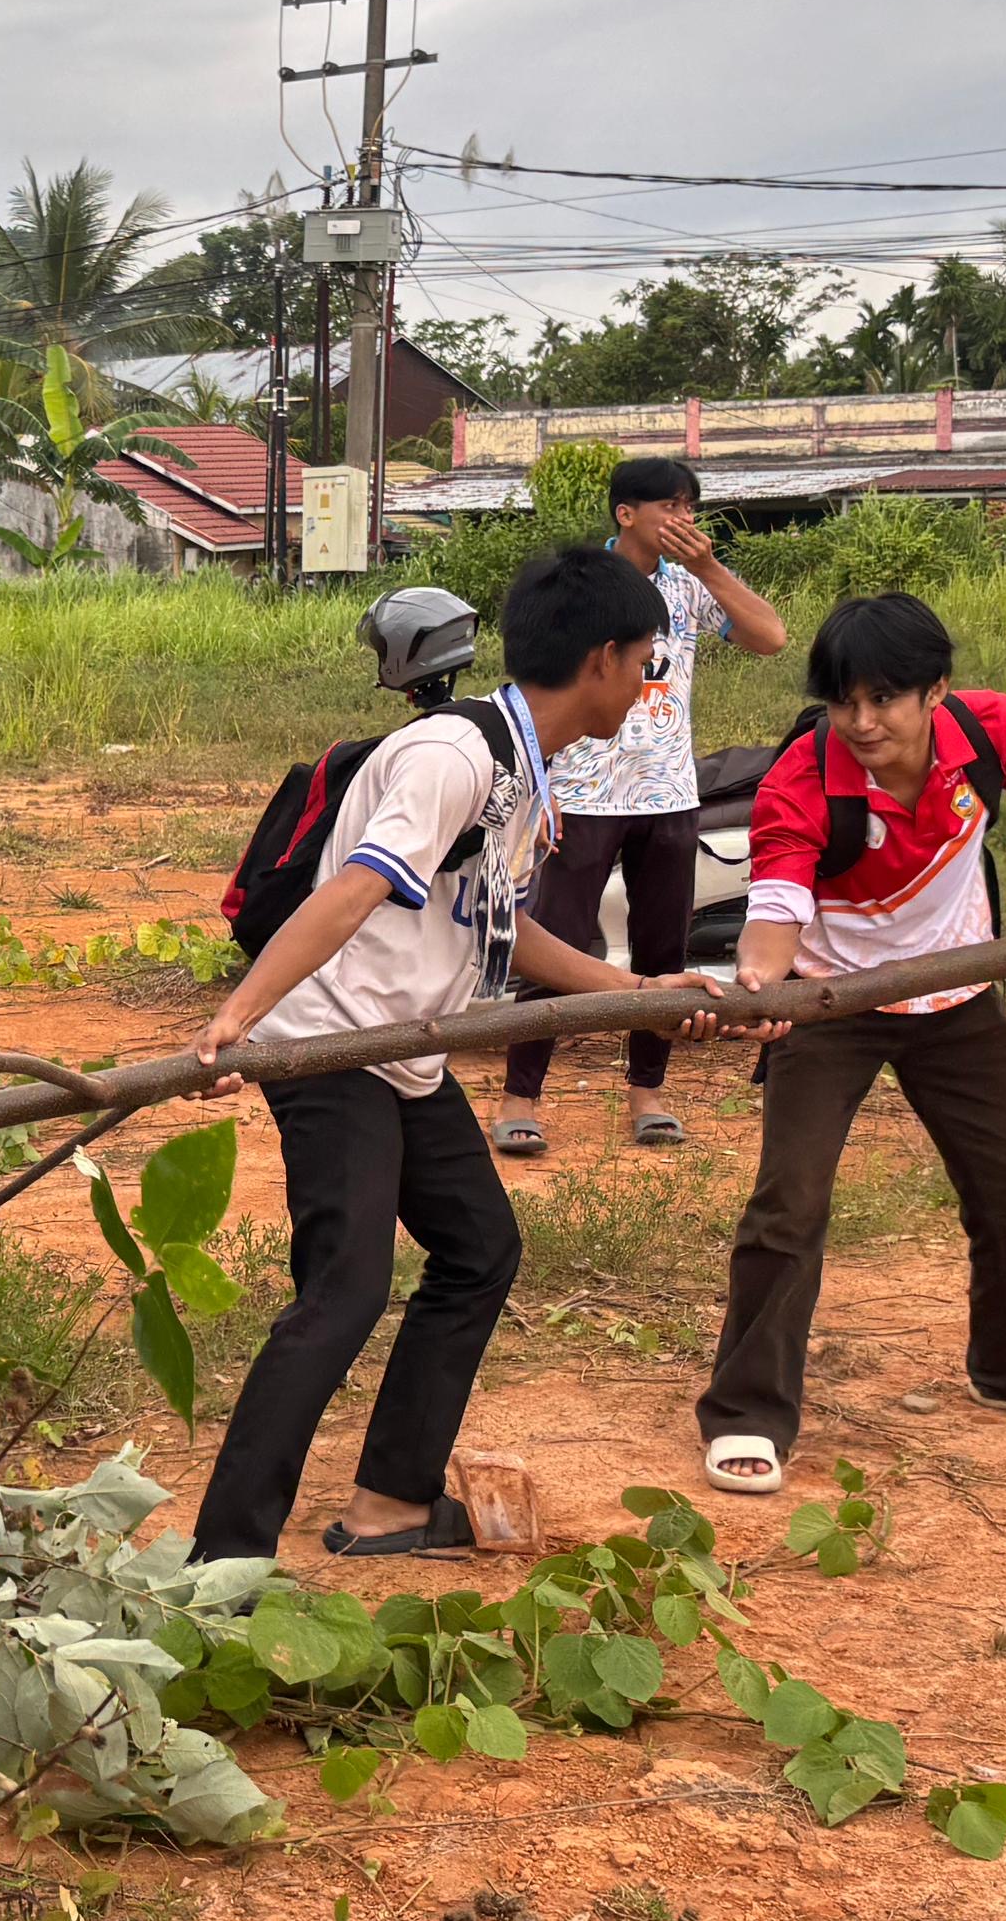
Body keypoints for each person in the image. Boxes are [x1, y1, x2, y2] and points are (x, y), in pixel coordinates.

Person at [187, 551, 748, 1563]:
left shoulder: (522, 774)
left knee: (478, 1248)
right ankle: (221, 1563)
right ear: (602, 659)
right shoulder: (451, 757)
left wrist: (638, 993)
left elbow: (502, 933)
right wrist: (241, 1015)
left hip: (406, 1055)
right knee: (344, 1292)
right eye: (646, 662)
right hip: (329, 1047)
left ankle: (390, 1506)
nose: (647, 683)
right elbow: (354, 889)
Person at [693, 591, 1006, 1499]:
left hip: (957, 993)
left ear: (936, 690)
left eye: (883, 700)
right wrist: (762, 994)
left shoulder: (994, 732)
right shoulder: (800, 784)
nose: (861, 722)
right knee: (789, 1205)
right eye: (844, 702)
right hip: (830, 1007)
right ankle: (747, 1416)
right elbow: (773, 917)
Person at [495, 455, 788, 1158]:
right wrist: (541, 790)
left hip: (669, 795)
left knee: (663, 947)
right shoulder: (585, 586)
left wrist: (713, 570)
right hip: (584, 793)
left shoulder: (690, 587)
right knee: (556, 942)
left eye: (691, 507)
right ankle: (518, 1097)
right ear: (626, 514)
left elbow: (771, 638)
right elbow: (536, 684)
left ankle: (647, 1094)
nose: (684, 520)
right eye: (670, 507)